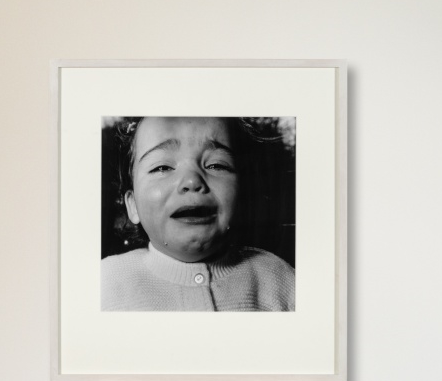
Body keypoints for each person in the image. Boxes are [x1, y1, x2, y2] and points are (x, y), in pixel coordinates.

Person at [100, 116, 296, 311]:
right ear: (133, 205)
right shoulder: (105, 282)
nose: (192, 181)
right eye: (162, 167)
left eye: (216, 165)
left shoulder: (279, 279)